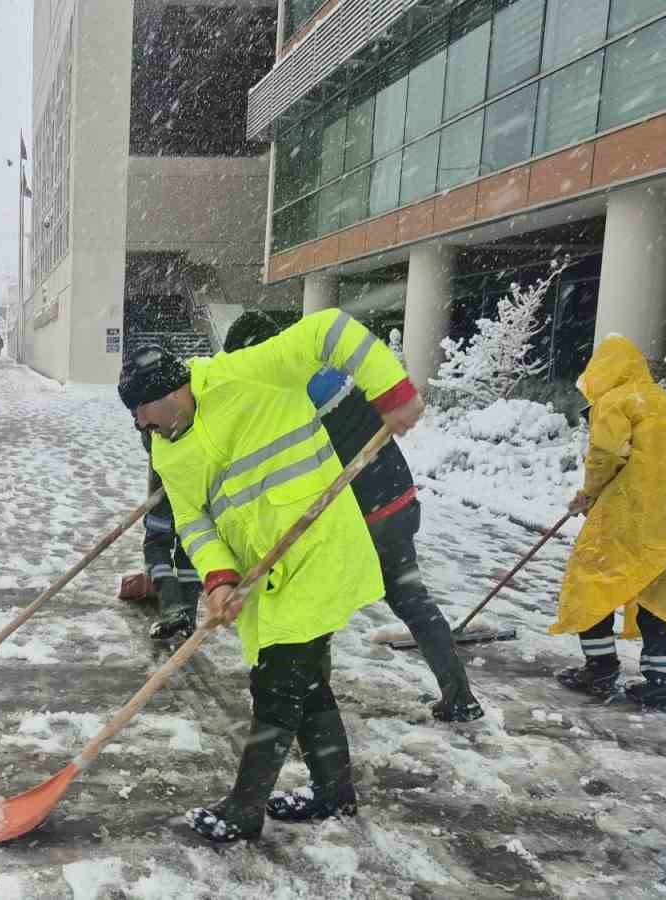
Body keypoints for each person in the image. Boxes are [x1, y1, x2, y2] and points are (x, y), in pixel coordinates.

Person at [119, 309, 424, 844]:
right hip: (265, 577)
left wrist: (392, 391)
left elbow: (330, 328)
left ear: (169, 391)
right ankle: (335, 792)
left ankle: (244, 807)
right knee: (306, 680)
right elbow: (193, 520)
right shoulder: (169, 448)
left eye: (141, 412)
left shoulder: (248, 371)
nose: (141, 425)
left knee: (279, 683)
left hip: (319, 551)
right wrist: (217, 577)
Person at [223, 312, 483, 723]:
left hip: (356, 515)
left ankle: (306, 707)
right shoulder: (333, 372)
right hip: (397, 498)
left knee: (312, 614)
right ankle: (460, 695)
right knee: (411, 598)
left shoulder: (288, 393)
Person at [552, 335, 666, 709]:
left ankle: (600, 668)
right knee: (663, 597)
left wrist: (589, 492)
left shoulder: (617, 400)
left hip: (637, 514)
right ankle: (664, 684)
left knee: (591, 582)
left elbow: (607, 452)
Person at [139, 429, 202, 641]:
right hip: (197, 486)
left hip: (166, 485)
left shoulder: (154, 406)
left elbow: (150, 441)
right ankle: (188, 619)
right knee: (191, 546)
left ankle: (174, 610)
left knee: (156, 545)